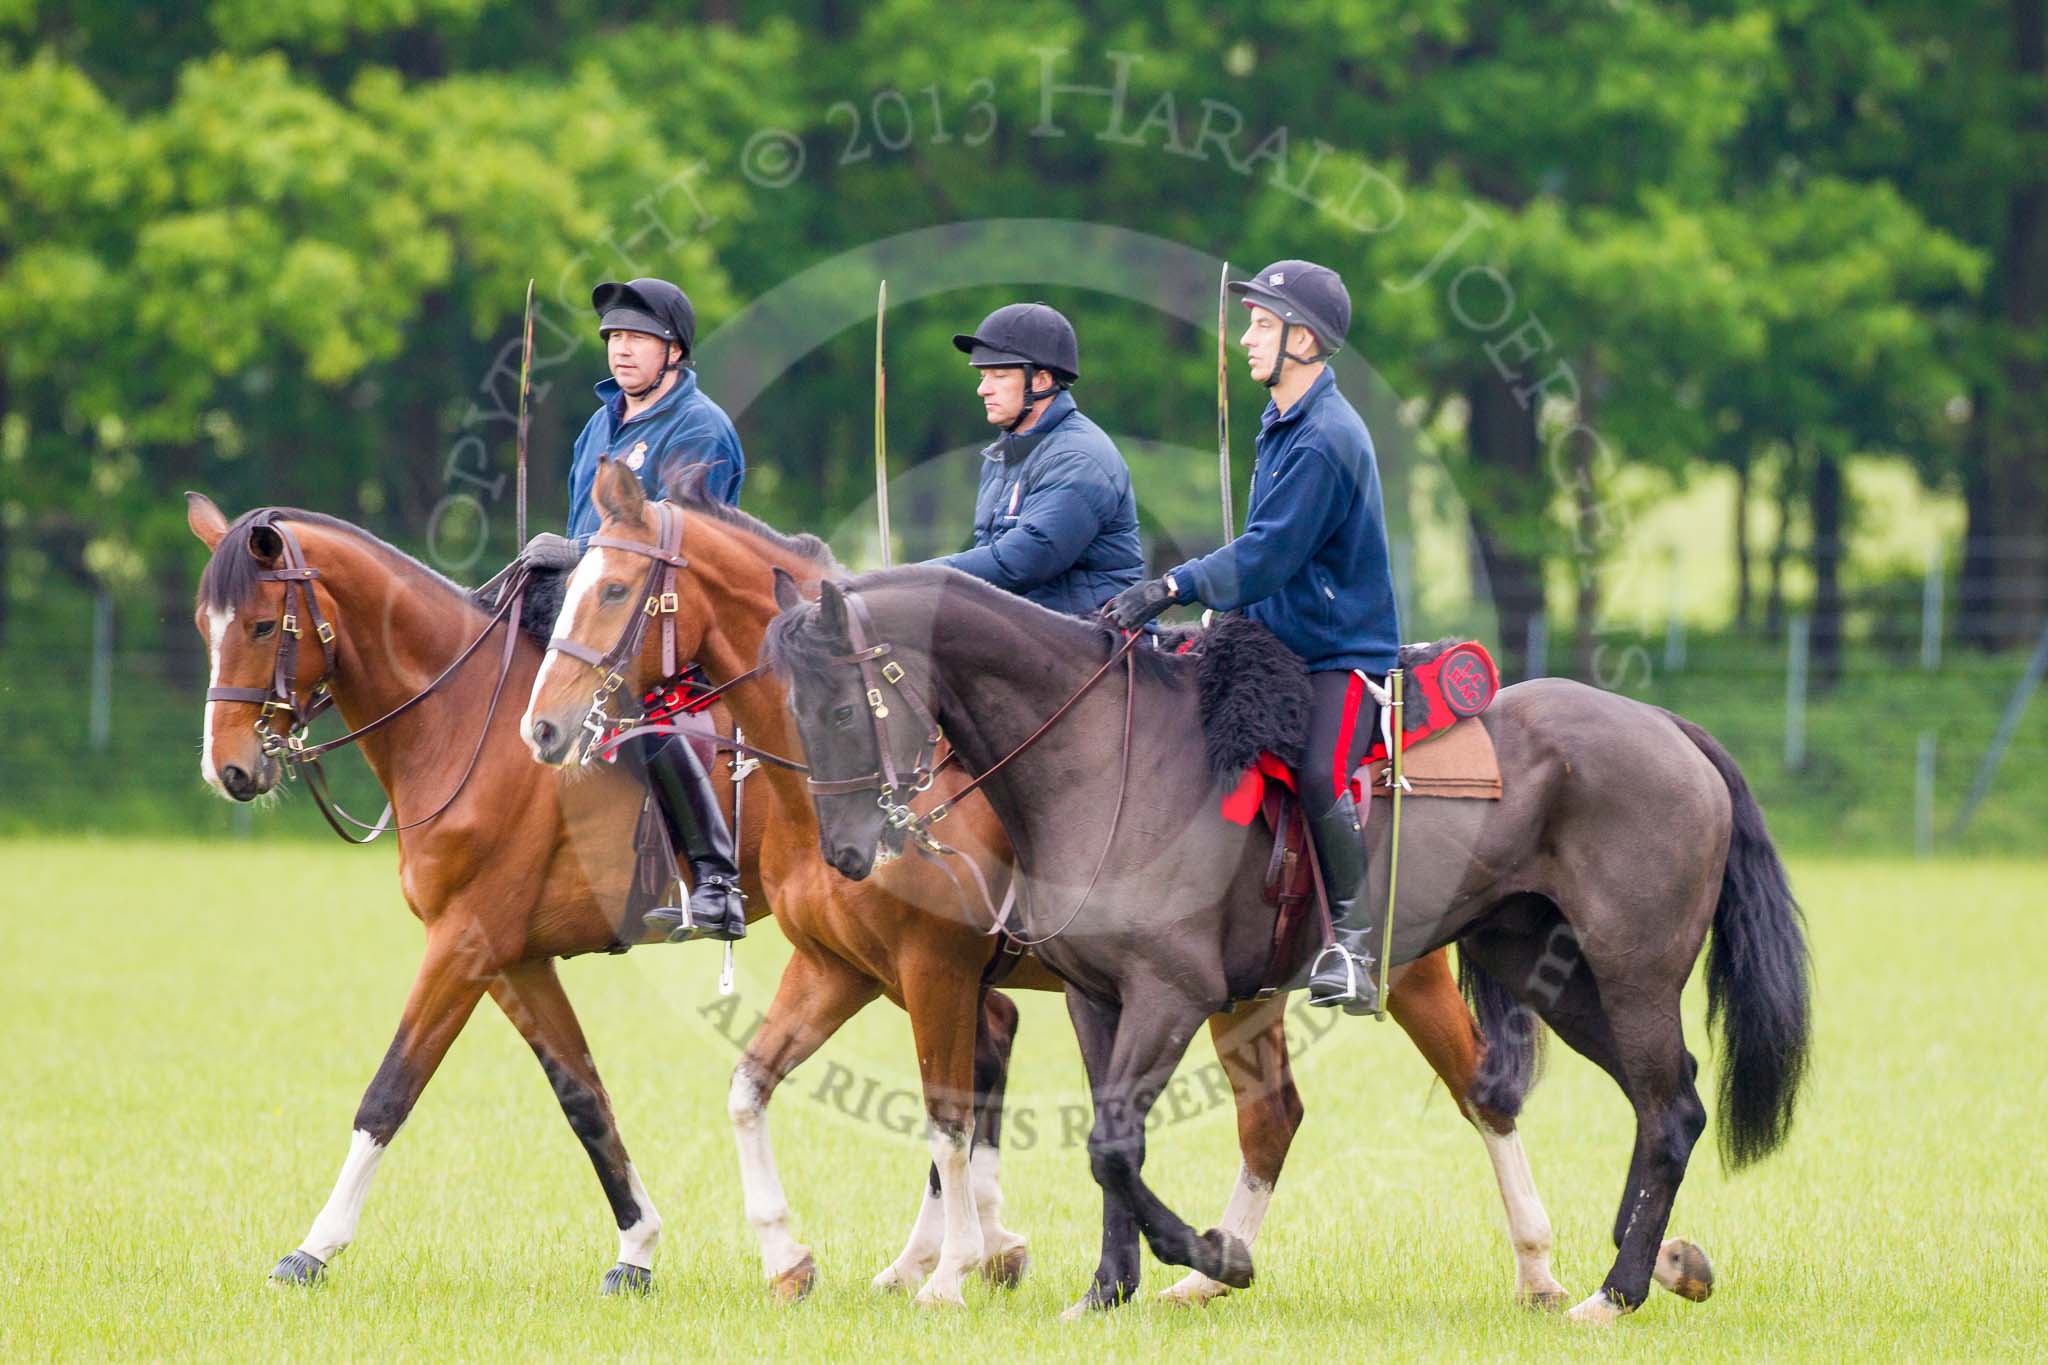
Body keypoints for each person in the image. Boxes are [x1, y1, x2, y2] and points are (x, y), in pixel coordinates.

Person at [1105, 260, 1399, 1015]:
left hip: (1340, 652)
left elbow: (1268, 553)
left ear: (1304, 339)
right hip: (1278, 635)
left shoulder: (1326, 438)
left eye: (1263, 325)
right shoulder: (1284, 423)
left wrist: (1174, 585)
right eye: (1251, 324)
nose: (1245, 339)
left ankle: (1356, 949)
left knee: (1316, 773)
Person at [525, 278, 746, 943]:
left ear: (674, 351)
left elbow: (687, 537)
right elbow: (583, 534)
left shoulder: (700, 426)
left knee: (654, 721)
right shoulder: (600, 423)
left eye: (638, 340)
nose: (622, 351)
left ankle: (714, 879)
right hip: (598, 611)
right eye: (615, 339)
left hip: (670, 623)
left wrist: (577, 548)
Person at [935, 303, 1143, 615]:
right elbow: (986, 557)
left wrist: (913, 580)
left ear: (1042, 381)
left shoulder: (1079, 457)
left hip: (1094, 640)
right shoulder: (1003, 454)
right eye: (982, 376)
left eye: (999, 375)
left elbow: (1021, 563)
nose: (983, 389)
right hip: (1032, 636)